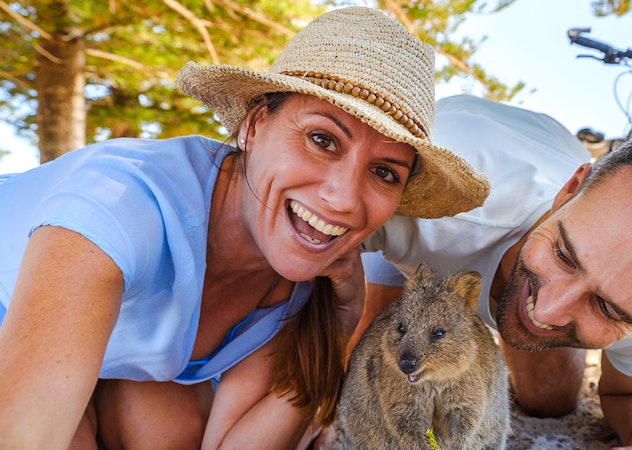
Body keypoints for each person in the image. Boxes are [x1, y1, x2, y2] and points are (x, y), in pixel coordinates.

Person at [0, 7, 489, 449]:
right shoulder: (120, 206)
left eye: (384, 172)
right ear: (254, 125)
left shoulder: (293, 269)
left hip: (103, 367)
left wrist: (340, 325)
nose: (342, 198)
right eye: (322, 139)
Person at [356, 94, 632, 449]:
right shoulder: (426, 198)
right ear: (568, 192)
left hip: (545, 158)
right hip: (446, 178)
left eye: (609, 308)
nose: (550, 311)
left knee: (550, 400)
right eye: (565, 255)